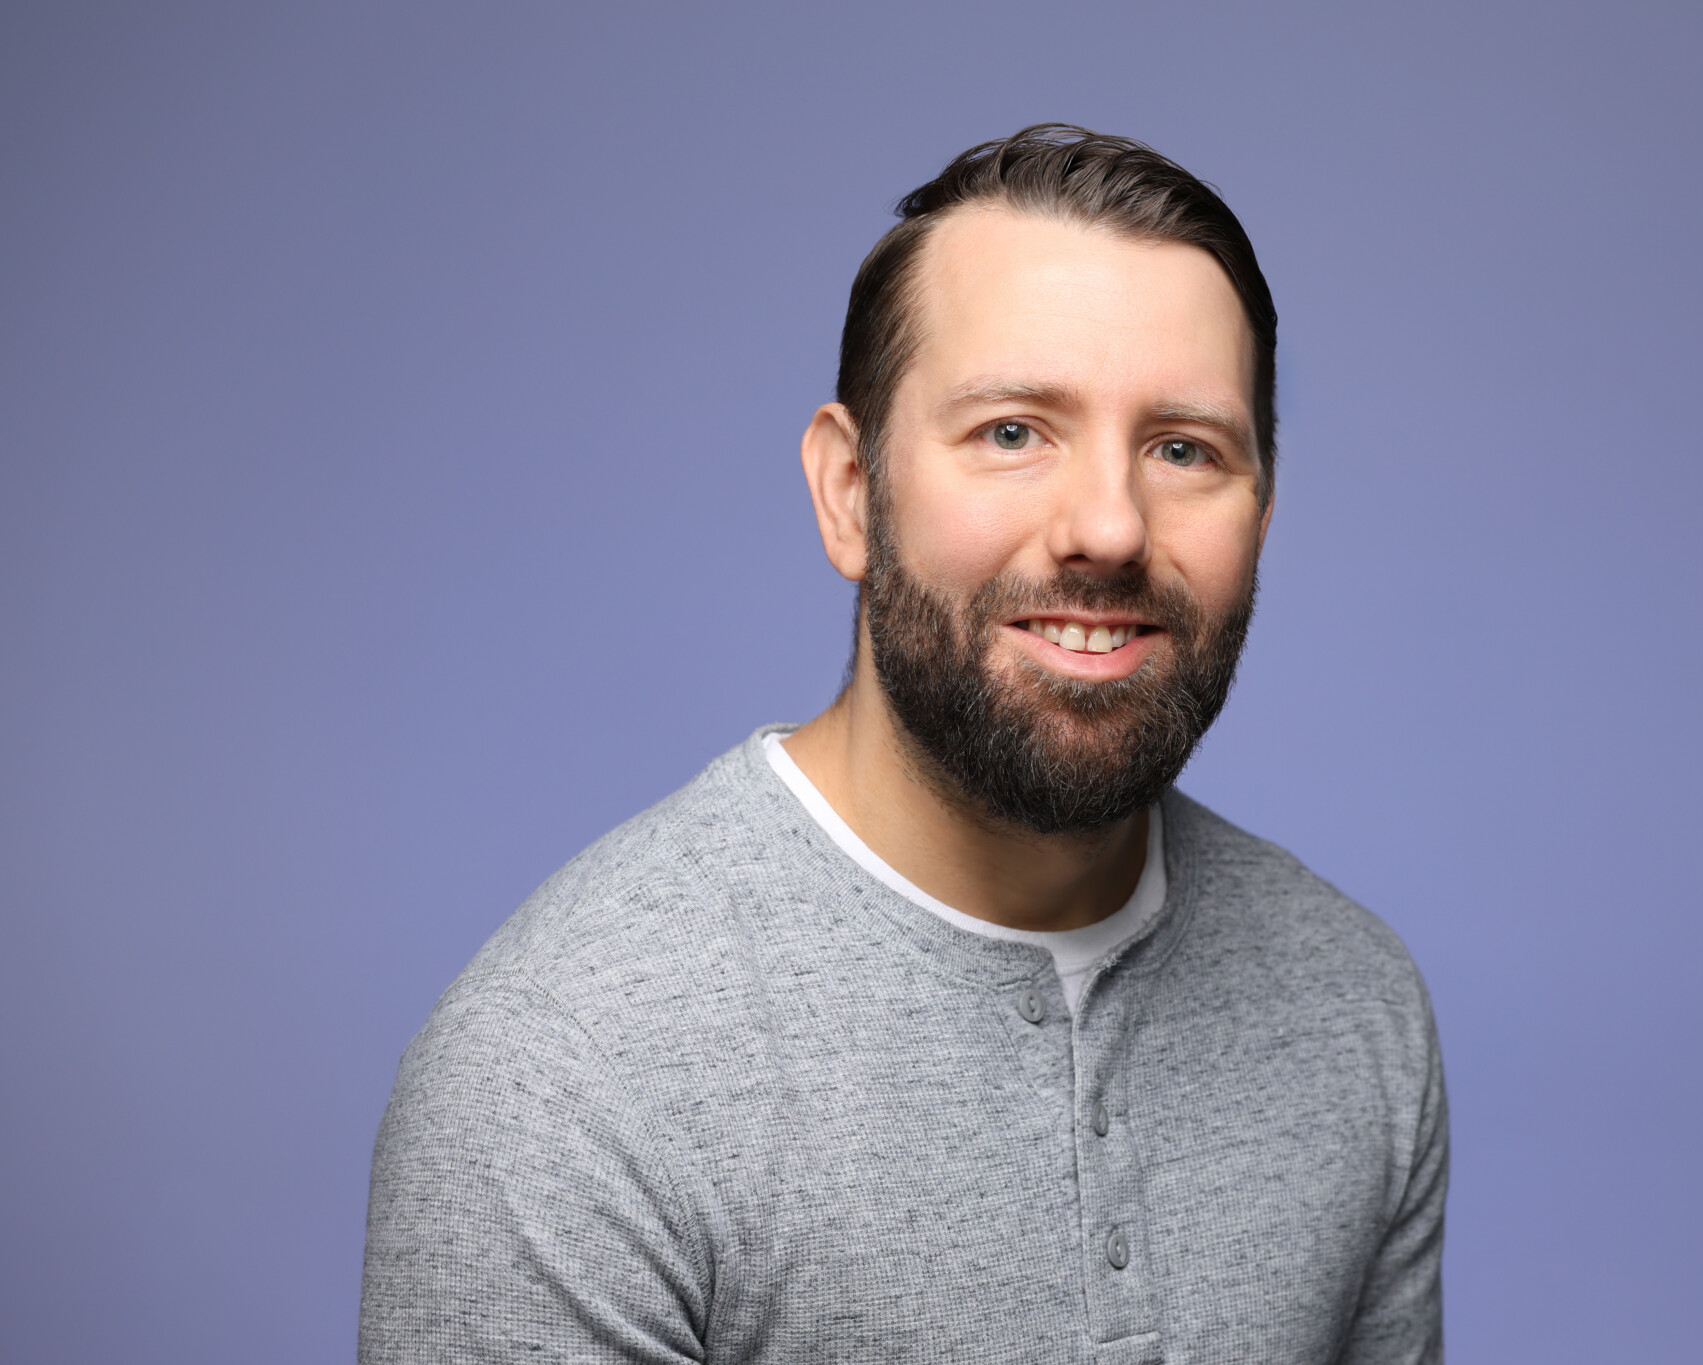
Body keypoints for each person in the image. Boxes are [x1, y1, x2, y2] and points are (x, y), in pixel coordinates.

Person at [360, 124, 1447, 1364]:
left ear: (1260, 511)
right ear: (849, 493)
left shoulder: (1354, 1006)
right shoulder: (567, 1073)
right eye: (1012, 432)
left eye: (1181, 449)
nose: (1107, 526)